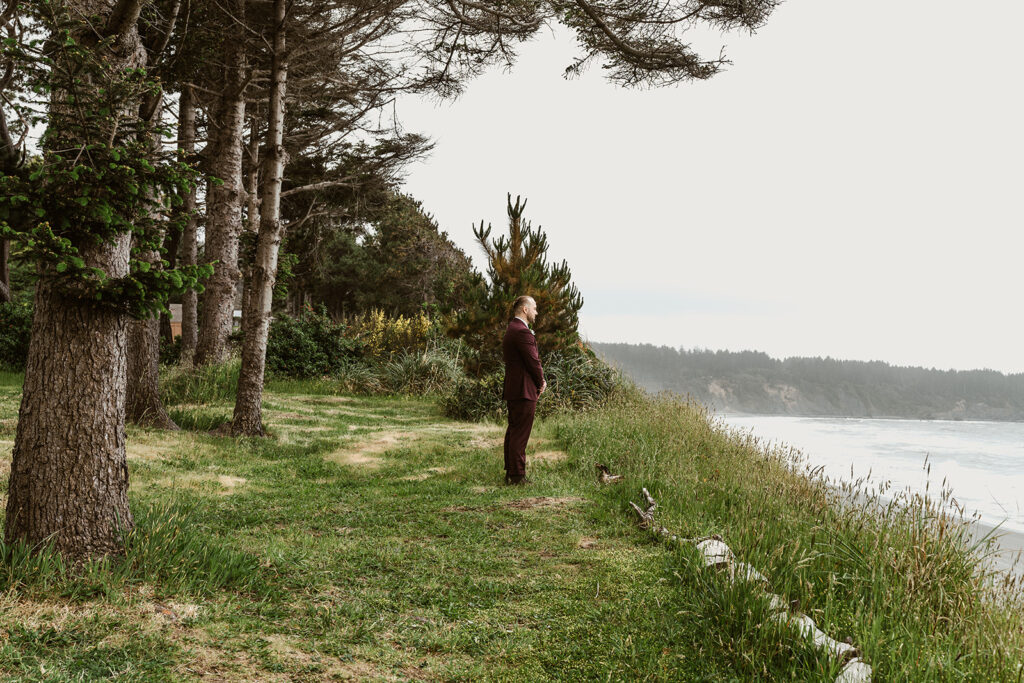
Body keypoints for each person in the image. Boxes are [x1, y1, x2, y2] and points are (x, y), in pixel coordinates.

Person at [502, 295, 546, 485]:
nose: (536, 312)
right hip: (523, 389)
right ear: (525, 309)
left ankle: (511, 472)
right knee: (520, 433)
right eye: (534, 308)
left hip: (514, 387)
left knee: (514, 431)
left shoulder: (512, 328)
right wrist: (541, 381)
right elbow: (533, 362)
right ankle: (517, 476)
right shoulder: (522, 332)